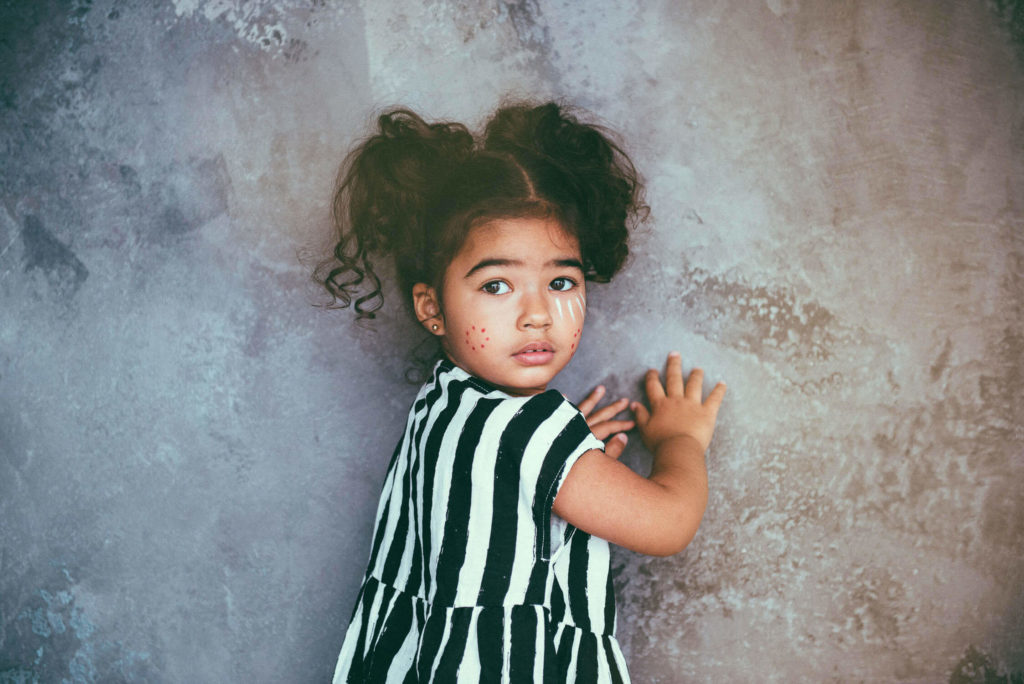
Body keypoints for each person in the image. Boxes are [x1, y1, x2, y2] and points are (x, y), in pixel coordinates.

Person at [320, 101, 726, 683]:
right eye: (497, 285)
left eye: (561, 281)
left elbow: (495, 494)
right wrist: (680, 440)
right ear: (432, 306)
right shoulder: (529, 432)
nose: (537, 313)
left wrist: (563, 453)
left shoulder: (442, 401)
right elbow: (668, 523)